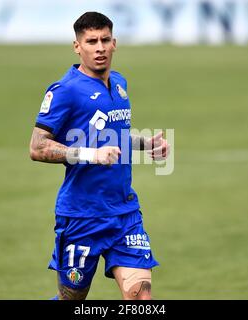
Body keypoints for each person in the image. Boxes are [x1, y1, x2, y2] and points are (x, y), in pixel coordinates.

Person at [29, 12, 170, 300]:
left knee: (140, 296)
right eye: (91, 41)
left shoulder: (119, 84)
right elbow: (37, 147)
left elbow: (113, 138)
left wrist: (145, 144)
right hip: (81, 216)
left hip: (124, 213)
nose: (99, 47)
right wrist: (90, 154)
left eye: (105, 40)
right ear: (77, 46)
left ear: (114, 43)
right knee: (72, 298)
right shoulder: (64, 91)